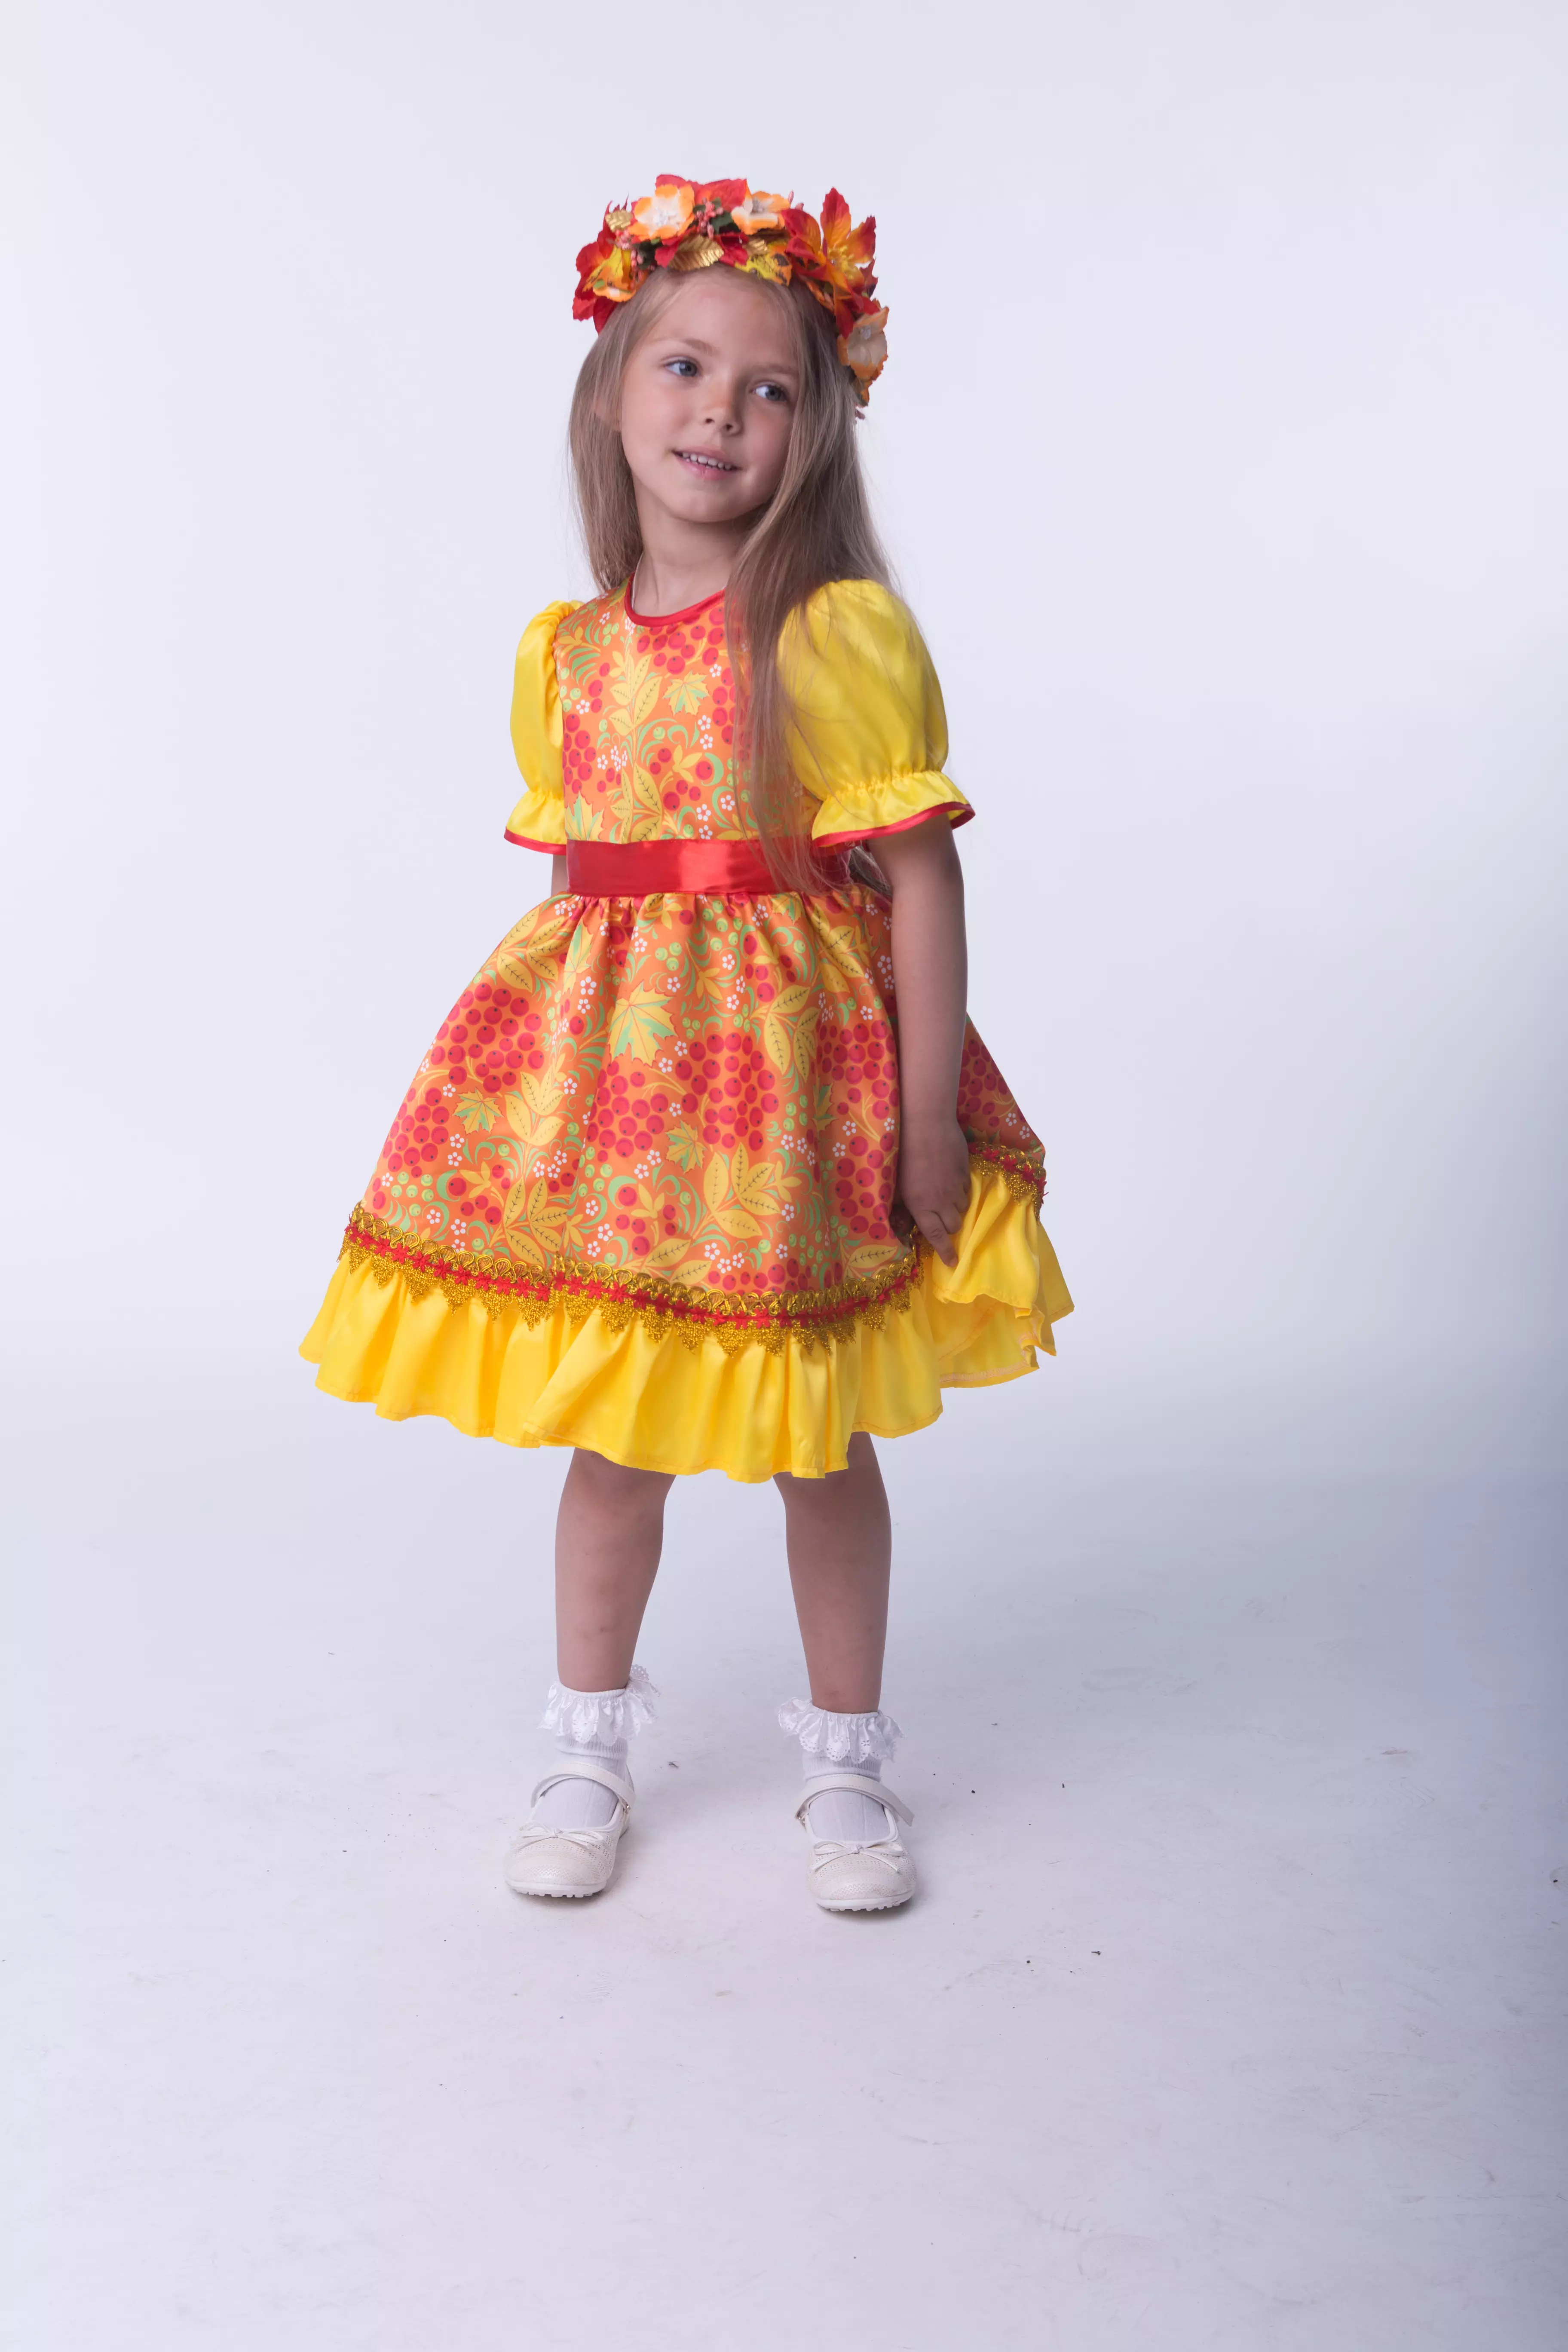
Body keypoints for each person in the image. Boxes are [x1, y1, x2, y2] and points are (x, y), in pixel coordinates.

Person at [300, 177, 1073, 1914]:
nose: (720, 410)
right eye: (684, 368)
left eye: (769, 385)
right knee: (616, 1437)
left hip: (789, 1095)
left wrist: (928, 1118)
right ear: (609, 396)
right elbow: (589, 901)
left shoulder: (831, 634)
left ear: (818, 428)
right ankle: (586, 1747)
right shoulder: (565, 653)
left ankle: (848, 1763)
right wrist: (537, 1114)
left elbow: (920, 877)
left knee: (817, 1437)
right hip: (629, 1107)